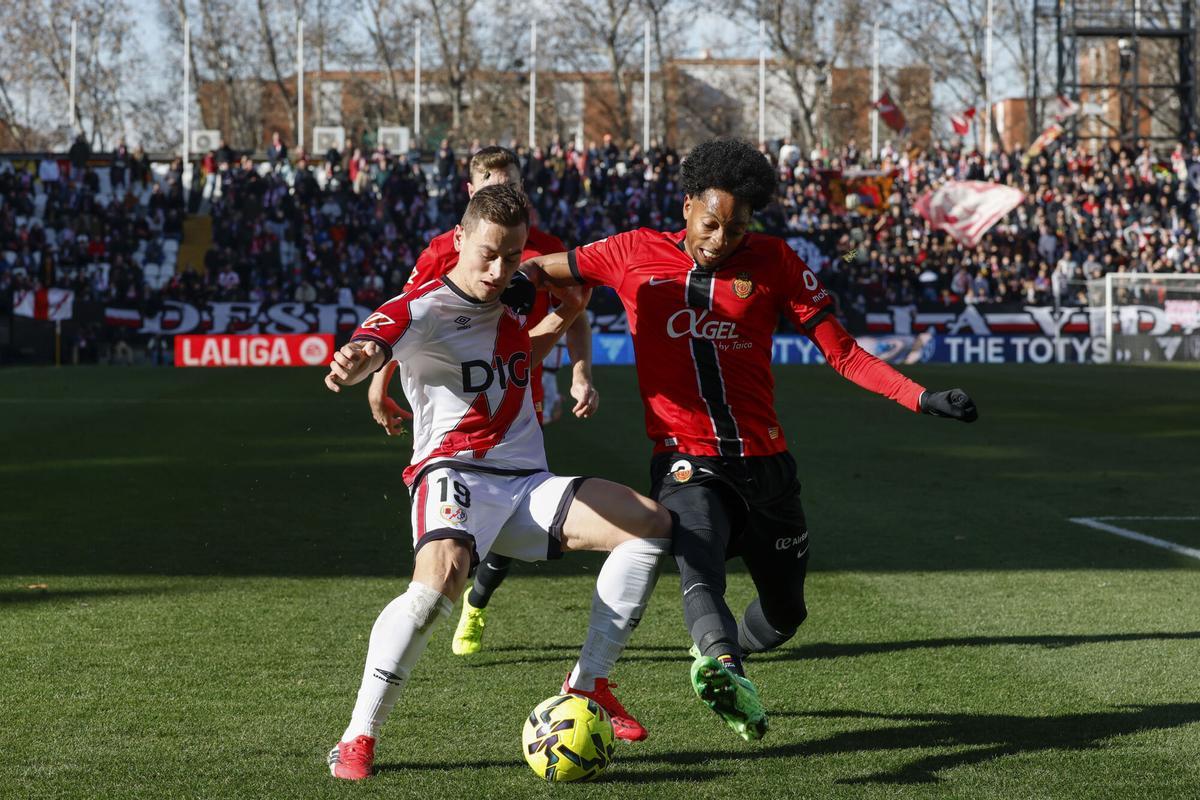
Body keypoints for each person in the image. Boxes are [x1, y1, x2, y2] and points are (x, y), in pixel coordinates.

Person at [524, 138, 979, 742]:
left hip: (767, 469)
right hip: (687, 460)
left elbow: (842, 354)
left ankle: (724, 652)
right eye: (710, 224)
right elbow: (537, 269)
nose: (720, 240)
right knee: (698, 564)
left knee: (788, 613)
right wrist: (513, 297)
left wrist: (918, 396)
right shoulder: (631, 252)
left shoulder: (775, 261)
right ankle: (724, 666)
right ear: (686, 206)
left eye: (735, 229)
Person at [323, 185, 671, 781]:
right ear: (458, 240)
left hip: (526, 482)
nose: (499, 269)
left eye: (511, 256)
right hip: (452, 472)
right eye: (487, 253)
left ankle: (588, 684)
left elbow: (525, 353)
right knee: (439, 583)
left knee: (650, 524)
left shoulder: (515, 295)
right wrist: (357, 363)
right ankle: (358, 735)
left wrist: (565, 312)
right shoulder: (422, 307)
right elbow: (372, 341)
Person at [371, 145, 598, 657]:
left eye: (512, 186)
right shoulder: (440, 251)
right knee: (467, 528)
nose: (504, 194)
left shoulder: (546, 247)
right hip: (457, 403)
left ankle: (476, 602)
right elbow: (407, 318)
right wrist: (377, 382)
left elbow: (575, 312)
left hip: (521, 392)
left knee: (515, 502)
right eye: (491, 186)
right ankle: (452, 598)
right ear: (470, 193)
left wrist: (579, 373)